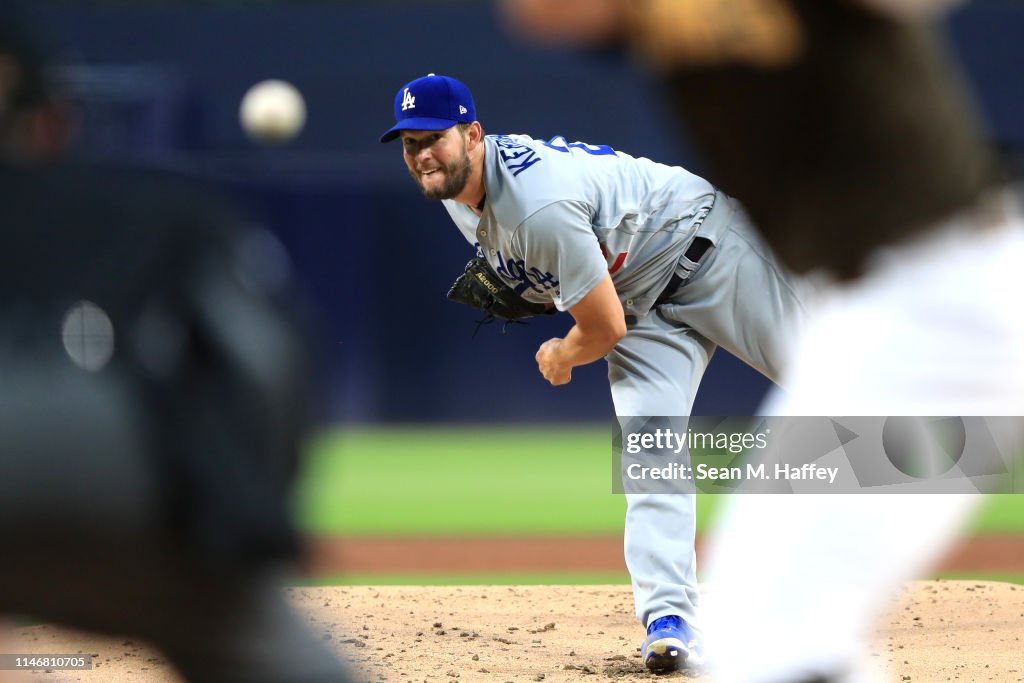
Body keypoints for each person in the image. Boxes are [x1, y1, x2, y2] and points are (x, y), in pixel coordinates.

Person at [500, 1, 1024, 681]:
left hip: (938, 298)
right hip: (876, 308)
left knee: (766, 635)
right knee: (768, 631)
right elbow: (549, 14)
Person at [379, 72, 810, 671]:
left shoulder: (537, 207)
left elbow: (602, 329)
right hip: (638, 298)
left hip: (707, 248)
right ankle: (670, 619)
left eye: (435, 137)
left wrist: (561, 353)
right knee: (650, 449)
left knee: (835, 380)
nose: (423, 154)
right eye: (409, 143)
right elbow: (600, 301)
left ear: (473, 134)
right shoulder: (459, 198)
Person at [0, 11, 351, 682]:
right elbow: (262, 363)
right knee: (259, 642)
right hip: (119, 484)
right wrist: (252, 522)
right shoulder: (158, 216)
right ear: (53, 122)